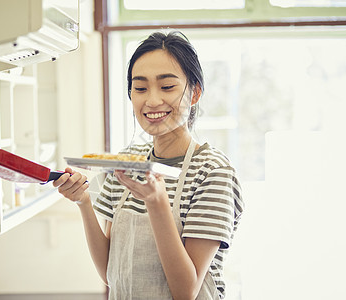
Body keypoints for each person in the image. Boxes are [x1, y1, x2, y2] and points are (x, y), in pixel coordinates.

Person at [53, 30, 244, 299]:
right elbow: (109, 273)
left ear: (195, 92)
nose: (152, 100)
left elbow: (186, 291)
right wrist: (83, 201)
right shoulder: (128, 163)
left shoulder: (213, 173)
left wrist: (157, 204)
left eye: (167, 87)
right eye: (140, 88)